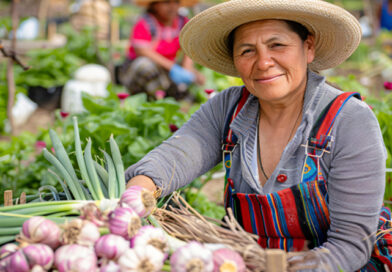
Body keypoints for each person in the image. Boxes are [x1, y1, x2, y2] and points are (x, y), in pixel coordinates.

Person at [125, 0, 390, 270]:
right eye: (247, 50)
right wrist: (134, 199)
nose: (263, 62)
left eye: (277, 45)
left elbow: (349, 247)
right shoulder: (227, 108)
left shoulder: (349, 120)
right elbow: (173, 158)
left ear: (308, 47)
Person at [119, 0, 205, 100]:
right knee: (145, 66)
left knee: (197, 77)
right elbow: (142, 51)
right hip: (139, 73)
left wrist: (188, 69)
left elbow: (188, 47)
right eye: (167, 2)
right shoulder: (145, 23)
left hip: (166, 69)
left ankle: (180, 99)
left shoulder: (183, 23)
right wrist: (173, 68)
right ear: (154, 6)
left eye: (176, 2)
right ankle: (156, 100)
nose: (172, 6)